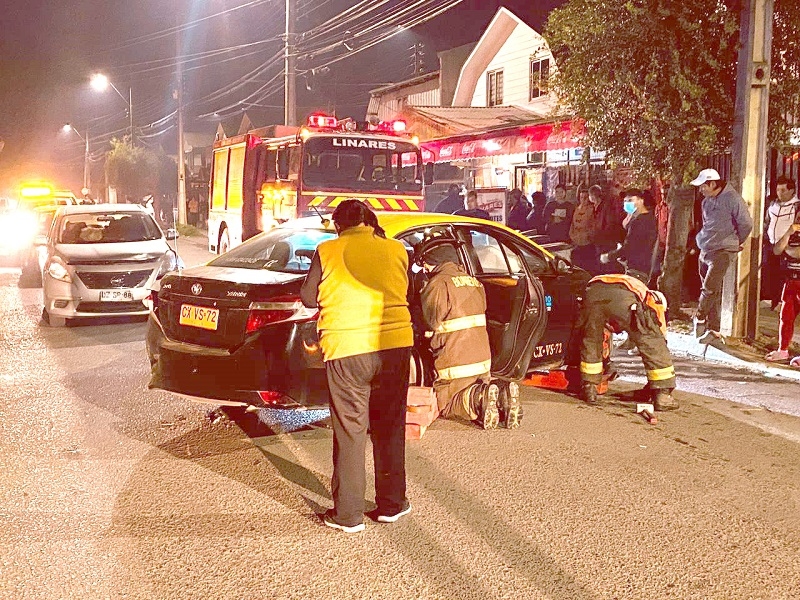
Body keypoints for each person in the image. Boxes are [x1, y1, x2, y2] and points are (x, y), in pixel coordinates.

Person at [300, 199, 413, 533]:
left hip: (347, 349)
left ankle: (348, 515)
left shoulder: (328, 250)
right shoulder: (397, 250)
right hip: (394, 345)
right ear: (370, 222)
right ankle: (392, 504)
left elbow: (309, 297)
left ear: (338, 226)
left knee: (351, 432)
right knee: (390, 426)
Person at [416, 238, 522, 429]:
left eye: (424, 263)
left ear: (434, 261)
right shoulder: (474, 282)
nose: (423, 268)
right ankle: (503, 396)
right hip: (481, 362)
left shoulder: (438, 284)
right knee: (475, 386)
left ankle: (478, 399)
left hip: (455, 362)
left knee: (446, 403)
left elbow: (429, 322)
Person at [576, 272, 678, 411]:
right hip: (621, 299)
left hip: (592, 294)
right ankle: (663, 396)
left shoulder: (623, 281)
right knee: (652, 342)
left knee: (592, 341)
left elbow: (602, 340)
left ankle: (589, 388)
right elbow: (658, 336)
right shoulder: (654, 298)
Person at [690, 168, 754, 344]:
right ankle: (713, 330)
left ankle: (700, 317)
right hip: (706, 248)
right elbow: (706, 224)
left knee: (709, 287)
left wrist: (734, 242)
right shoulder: (706, 201)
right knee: (712, 291)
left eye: (703, 186)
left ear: (712, 184)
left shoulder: (733, 199)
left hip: (723, 250)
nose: (701, 189)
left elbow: (746, 224)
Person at [765, 195, 800, 363]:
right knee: (786, 316)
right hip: (791, 279)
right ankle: (783, 350)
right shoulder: (793, 233)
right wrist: (788, 232)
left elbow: (795, 253)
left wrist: (789, 250)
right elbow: (778, 250)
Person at [600, 188, 659, 283]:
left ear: (641, 200)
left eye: (631, 200)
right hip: (642, 267)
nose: (627, 204)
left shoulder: (640, 221)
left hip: (638, 269)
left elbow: (629, 247)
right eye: (625, 201)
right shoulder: (646, 218)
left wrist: (608, 257)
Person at [764, 177, 800, 312]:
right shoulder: (773, 204)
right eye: (778, 190)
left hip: (787, 246)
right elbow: (767, 221)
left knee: (784, 276)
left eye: (783, 190)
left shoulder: (796, 206)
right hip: (772, 244)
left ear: (791, 190)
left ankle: (782, 302)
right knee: (771, 275)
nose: (780, 193)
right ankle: (774, 300)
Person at [589, 184, 625, 274]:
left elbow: (610, 224)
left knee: (606, 266)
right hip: (598, 241)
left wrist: (603, 236)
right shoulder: (595, 207)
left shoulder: (606, 207)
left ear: (593, 196)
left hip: (606, 241)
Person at [569, 185, 598, 273]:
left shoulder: (592, 209)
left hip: (587, 243)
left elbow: (593, 224)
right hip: (576, 241)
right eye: (581, 197)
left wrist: (589, 236)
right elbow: (573, 224)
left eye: (585, 197)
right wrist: (572, 235)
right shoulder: (576, 209)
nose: (583, 199)